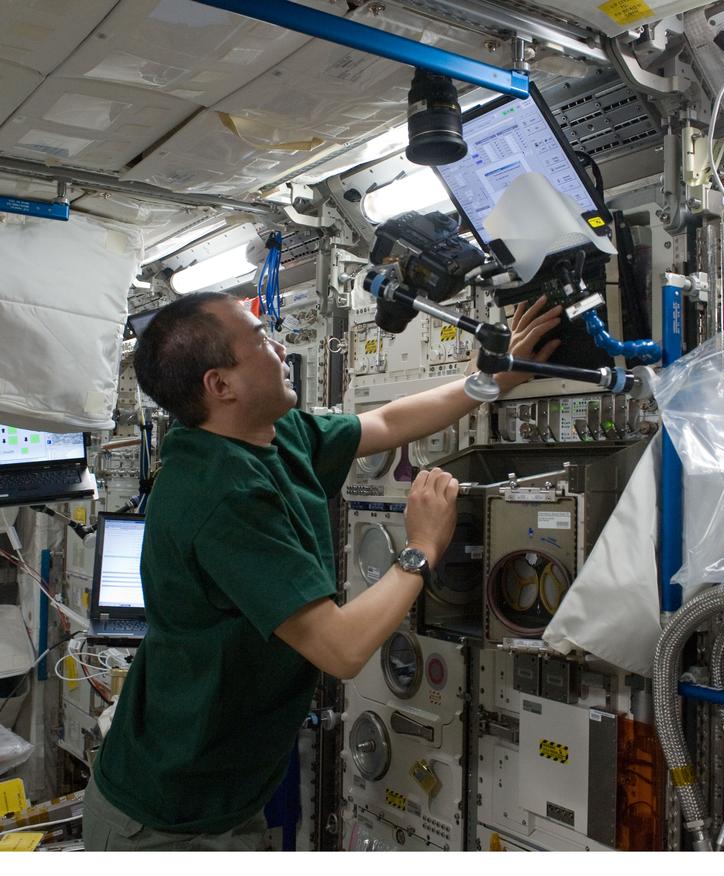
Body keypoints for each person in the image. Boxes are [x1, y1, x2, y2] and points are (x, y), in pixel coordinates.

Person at [83, 291, 562, 851]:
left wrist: (491, 381)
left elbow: (385, 422)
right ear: (221, 385)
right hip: (166, 819)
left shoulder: (271, 435)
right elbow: (341, 648)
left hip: (226, 796)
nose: (279, 346)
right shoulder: (219, 494)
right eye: (259, 340)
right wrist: (422, 547)